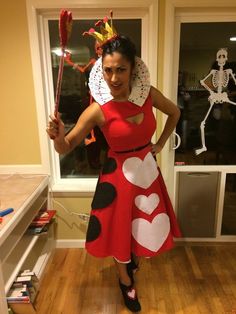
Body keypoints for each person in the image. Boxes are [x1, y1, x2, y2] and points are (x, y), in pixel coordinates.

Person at [47, 20, 181, 312]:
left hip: (147, 171)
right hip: (118, 178)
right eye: (108, 70)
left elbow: (175, 112)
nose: (114, 77)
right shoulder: (98, 109)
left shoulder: (148, 95)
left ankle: (132, 263)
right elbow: (65, 147)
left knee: (142, 228)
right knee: (120, 230)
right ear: (101, 70)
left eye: (120, 69)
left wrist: (159, 144)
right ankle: (125, 281)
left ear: (133, 68)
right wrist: (58, 136)